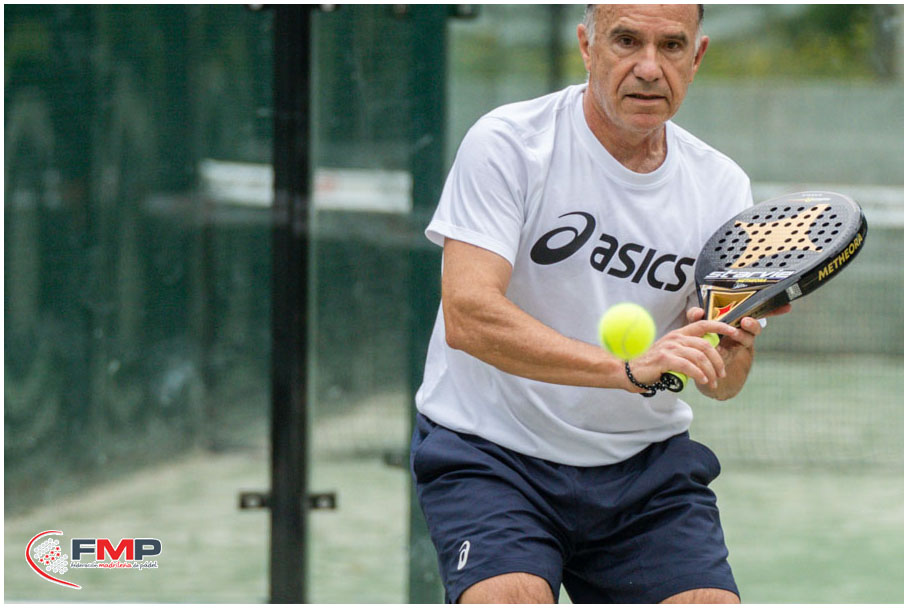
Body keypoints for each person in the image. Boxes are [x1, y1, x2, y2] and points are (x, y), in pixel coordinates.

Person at [410, 4, 790, 604]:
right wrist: (627, 370)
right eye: (626, 41)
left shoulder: (722, 187)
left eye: (671, 46)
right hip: (493, 452)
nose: (649, 68)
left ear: (697, 57)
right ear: (587, 47)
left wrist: (727, 348)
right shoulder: (509, 143)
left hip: (644, 470)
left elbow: (725, 385)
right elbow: (468, 316)